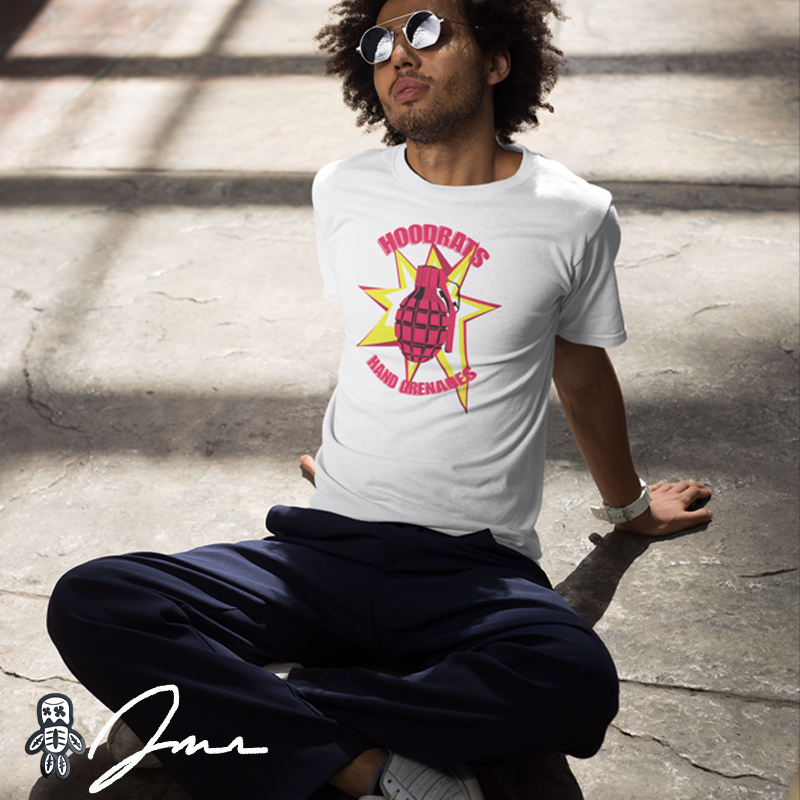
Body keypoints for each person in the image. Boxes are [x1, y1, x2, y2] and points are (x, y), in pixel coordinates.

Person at [47, 1, 713, 799]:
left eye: (428, 30)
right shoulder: (345, 190)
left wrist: (630, 510)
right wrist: (353, 461)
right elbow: (379, 345)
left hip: (470, 569)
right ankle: (372, 769)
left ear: (499, 61)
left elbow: (580, 374)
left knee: (573, 681)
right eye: (380, 40)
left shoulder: (572, 215)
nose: (399, 53)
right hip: (321, 546)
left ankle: (231, 715)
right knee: (95, 599)